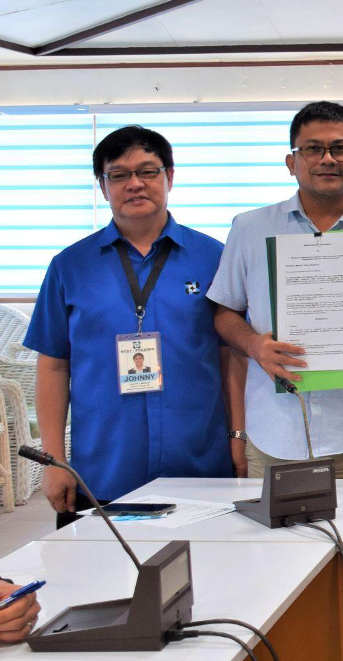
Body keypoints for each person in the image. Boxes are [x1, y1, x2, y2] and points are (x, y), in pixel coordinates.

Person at [24, 126, 242, 528]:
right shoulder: (69, 266)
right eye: (119, 174)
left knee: (209, 582)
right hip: (102, 471)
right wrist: (54, 461)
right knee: (98, 586)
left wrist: (238, 438)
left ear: (170, 177)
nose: (135, 184)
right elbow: (53, 365)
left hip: (200, 468)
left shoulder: (213, 258)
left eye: (148, 171)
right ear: (102, 186)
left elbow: (230, 356)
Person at [209, 102, 343, 478]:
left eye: (339, 148)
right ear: (292, 162)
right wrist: (256, 346)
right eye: (312, 148)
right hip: (275, 436)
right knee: (277, 539)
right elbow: (225, 313)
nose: (327, 158)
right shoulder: (249, 229)